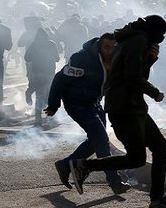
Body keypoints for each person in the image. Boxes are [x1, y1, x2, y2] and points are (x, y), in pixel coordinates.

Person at [69, 15, 166, 208]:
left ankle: (158, 199)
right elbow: (133, 77)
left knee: (157, 148)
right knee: (139, 156)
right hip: (126, 108)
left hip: (129, 106)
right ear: (155, 33)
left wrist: (150, 60)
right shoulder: (138, 41)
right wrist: (155, 93)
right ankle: (84, 165)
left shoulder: (130, 39)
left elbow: (132, 72)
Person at [45, 33, 130, 195]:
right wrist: (53, 105)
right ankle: (115, 182)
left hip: (95, 103)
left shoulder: (116, 58)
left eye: (113, 48)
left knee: (95, 141)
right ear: (99, 46)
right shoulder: (82, 58)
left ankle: (65, 165)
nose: (110, 51)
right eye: (106, 47)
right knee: (102, 140)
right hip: (76, 103)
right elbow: (59, 79)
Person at [24, 28, 60, 126]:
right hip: (49, 73)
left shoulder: (34, 44)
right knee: (50, 95)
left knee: (39, 96)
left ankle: (38, 119)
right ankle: (51, 118)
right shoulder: (51, 44)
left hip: (38, 73)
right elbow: (57, 58)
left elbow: (27, 57)